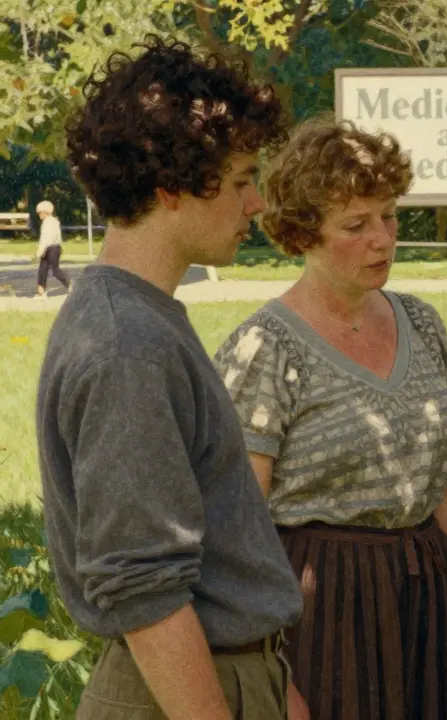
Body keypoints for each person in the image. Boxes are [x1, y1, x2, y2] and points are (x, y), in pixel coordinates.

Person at [35, 35, 304, 719]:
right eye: (243, 180)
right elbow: (142, 587)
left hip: (221, 676)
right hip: (179, 693)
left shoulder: (141, 319)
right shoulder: (129, 347)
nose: (256, 205)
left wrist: (274, 679)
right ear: (172, 188)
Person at [213, 118, 447, 720]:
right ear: (302, 234)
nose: (383, 239)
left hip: (426, 598)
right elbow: (240, 528)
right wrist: (271, 671)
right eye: (356, 225)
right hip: (321, 611)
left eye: (389, 217)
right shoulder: (267, 349)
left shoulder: (421, 325)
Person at [34, 199, 71, 296]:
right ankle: (41, 292)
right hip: (49, 248)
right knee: (42, 269)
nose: (39, 215)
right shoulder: (49, 221)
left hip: (52, 248)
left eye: (40, 213)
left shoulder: (49, 222)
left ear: (46, 212)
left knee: (55, 270)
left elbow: (47, 239)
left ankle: (71, 285)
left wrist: (40, 252)